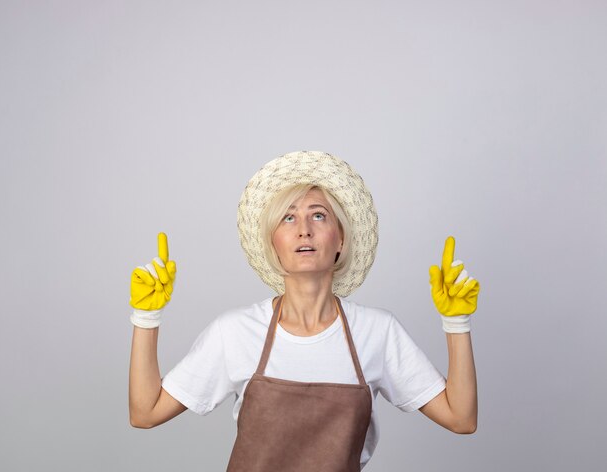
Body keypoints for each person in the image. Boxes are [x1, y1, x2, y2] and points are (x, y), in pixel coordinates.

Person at [128, 151, 480, 471]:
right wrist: (146, 317)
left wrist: (456, 322)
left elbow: (461, 418)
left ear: (340, 239)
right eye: (288, 218)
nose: (304, 230)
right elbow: (145, 412)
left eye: (318, 215)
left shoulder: (377, 332)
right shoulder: (235, 332)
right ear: (273, 244)